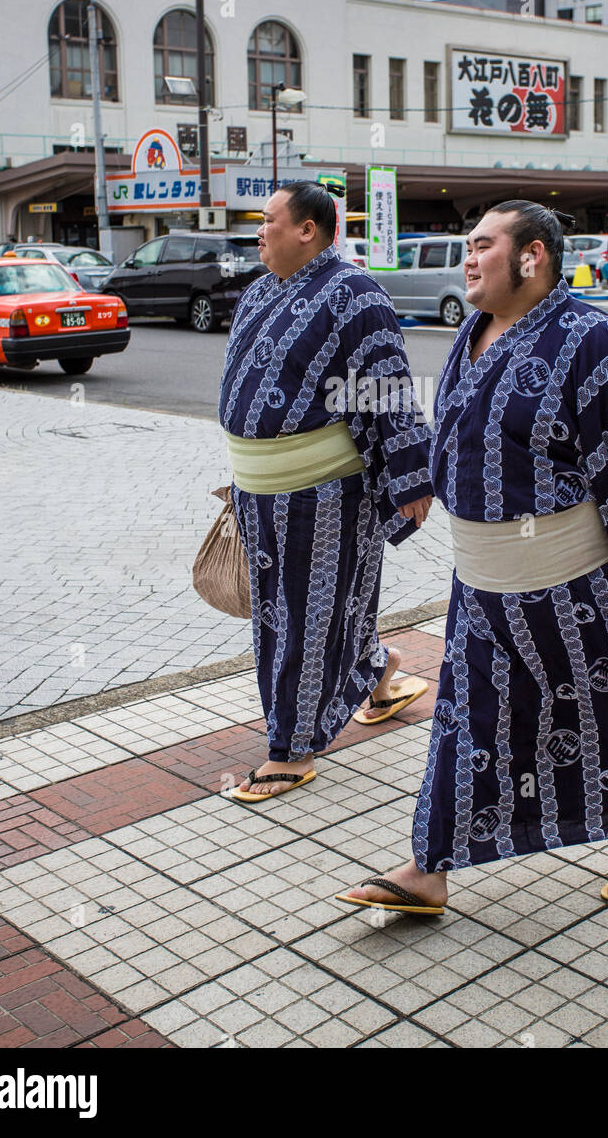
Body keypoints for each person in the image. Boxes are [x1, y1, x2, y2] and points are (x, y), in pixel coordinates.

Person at [337, 199, 608, 915]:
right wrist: (413, 484)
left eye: (482, 244)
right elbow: (459, 436)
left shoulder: (593, 340)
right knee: (467, 723)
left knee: (607, 715)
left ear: (533, 257)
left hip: (570, 585)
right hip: (480, 586)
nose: (467, 257)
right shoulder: (473, 333)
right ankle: (429, 867)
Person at [219, 182, 433, 801]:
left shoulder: (354, 292)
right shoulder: (260, 291)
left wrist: (409, 477)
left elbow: (388, 386)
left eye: (268, 221)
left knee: (307, 619)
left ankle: (293, 750)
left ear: (308, 229)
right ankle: (378, 671)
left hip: (324, 493)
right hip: (260, 490)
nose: (259, 232)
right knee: (284, 615)